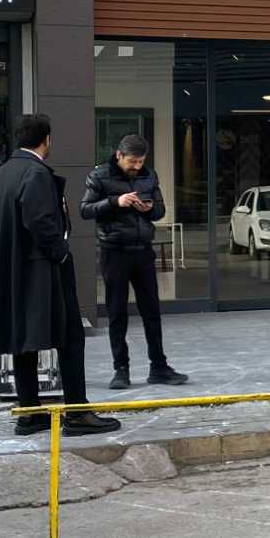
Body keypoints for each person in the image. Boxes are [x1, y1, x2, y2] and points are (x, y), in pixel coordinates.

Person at [0, 114, 118, 436]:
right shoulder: (36, 174)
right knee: (71, 338)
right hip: (41, 273)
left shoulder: (0, 175)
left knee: (24, 342)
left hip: (10, 273)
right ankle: (77, 413)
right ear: (46, 139)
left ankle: (30, 413)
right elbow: (41, 222)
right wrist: (61, 252)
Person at [80, 135, 187, 391]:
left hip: (143, 250)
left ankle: (159, 367)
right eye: (132, 161)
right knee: (117, 312)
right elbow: (85, 209)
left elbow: (160, 211)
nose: (137, 166)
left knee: (152, 311)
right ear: (119, 155)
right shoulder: (99, 176)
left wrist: (148, 208)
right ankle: (121, 369)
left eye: (140, 161)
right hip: (114, 251)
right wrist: (115, 202)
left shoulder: (149, 176)